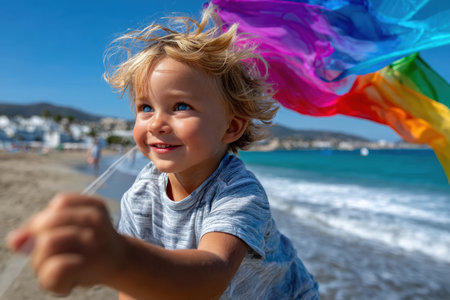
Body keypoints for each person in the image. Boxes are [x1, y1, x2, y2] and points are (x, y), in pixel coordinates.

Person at [7, 6, 319, 300]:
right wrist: (120, 265)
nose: (156, 122)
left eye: (181, 106)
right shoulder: (142, 193)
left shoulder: (238, 193)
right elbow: (132, 288)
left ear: (231, 128)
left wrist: (118, 258)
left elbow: (213, 272)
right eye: (145, 107)